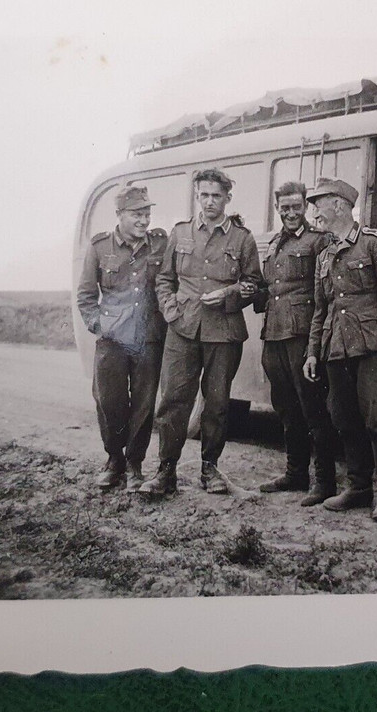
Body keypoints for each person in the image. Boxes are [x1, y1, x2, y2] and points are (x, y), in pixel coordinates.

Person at [139, 168, 262, 496]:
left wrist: (228, 294)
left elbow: (254, 285)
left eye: (216, 196)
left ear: (227, 199)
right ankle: (166, 471)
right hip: (183, 328)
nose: (210, 202)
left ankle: (211, 470)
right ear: (197, 196)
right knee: (173, 400)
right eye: (204, 195)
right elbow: (164, 279)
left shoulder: (242, 238)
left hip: (223, 331)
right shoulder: (180, 234)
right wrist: (170, 310)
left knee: (218, 403)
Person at [302, 178, 377, 522]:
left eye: (319, 203)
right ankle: (358, 486)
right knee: (345, 418)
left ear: (338, 204)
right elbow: (321, 310)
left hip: (373, 346)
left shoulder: (374, 244)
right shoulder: (324, 255)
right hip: (337, 348)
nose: (315, 211)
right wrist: (311, 352)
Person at [252, 181, 339, 506]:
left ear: (305, 207)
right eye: (284, 208)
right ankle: (295, 473)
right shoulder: (275, 244)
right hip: (273, 335)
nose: (290, 213)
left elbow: (324, 296)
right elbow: (268, 291)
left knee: (314, 409)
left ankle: (325, 482)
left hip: (302, 337)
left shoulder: (319, 241)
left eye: (296, 206)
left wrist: (316, 346)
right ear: (279, 209)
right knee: (286, 409)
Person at [75, 184, 168, 491]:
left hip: (147, 337)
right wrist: (98, 326)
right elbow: (86, 296)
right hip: (112, 340)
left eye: (147, 213)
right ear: (120, 216)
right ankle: (114, 460)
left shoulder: (160, 243)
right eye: (136, 214)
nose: (144, 221)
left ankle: (134, 465)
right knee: (109, 401)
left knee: (143, 404)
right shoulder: (100, 247)